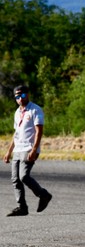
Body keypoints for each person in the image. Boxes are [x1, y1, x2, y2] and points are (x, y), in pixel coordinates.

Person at [4, 85, 52, 216]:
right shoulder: (17, 112)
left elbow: (39, 131)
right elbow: (16, 134)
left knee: (24, 176)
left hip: (29, 148)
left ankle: (44, 195)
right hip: (18, 149)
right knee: (15, 179)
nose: (20, 98)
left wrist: (34, 149)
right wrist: (9, 152)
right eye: (17, 96)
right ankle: (22, 207)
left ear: (28, 95)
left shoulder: (35, 110)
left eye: (23, 95)